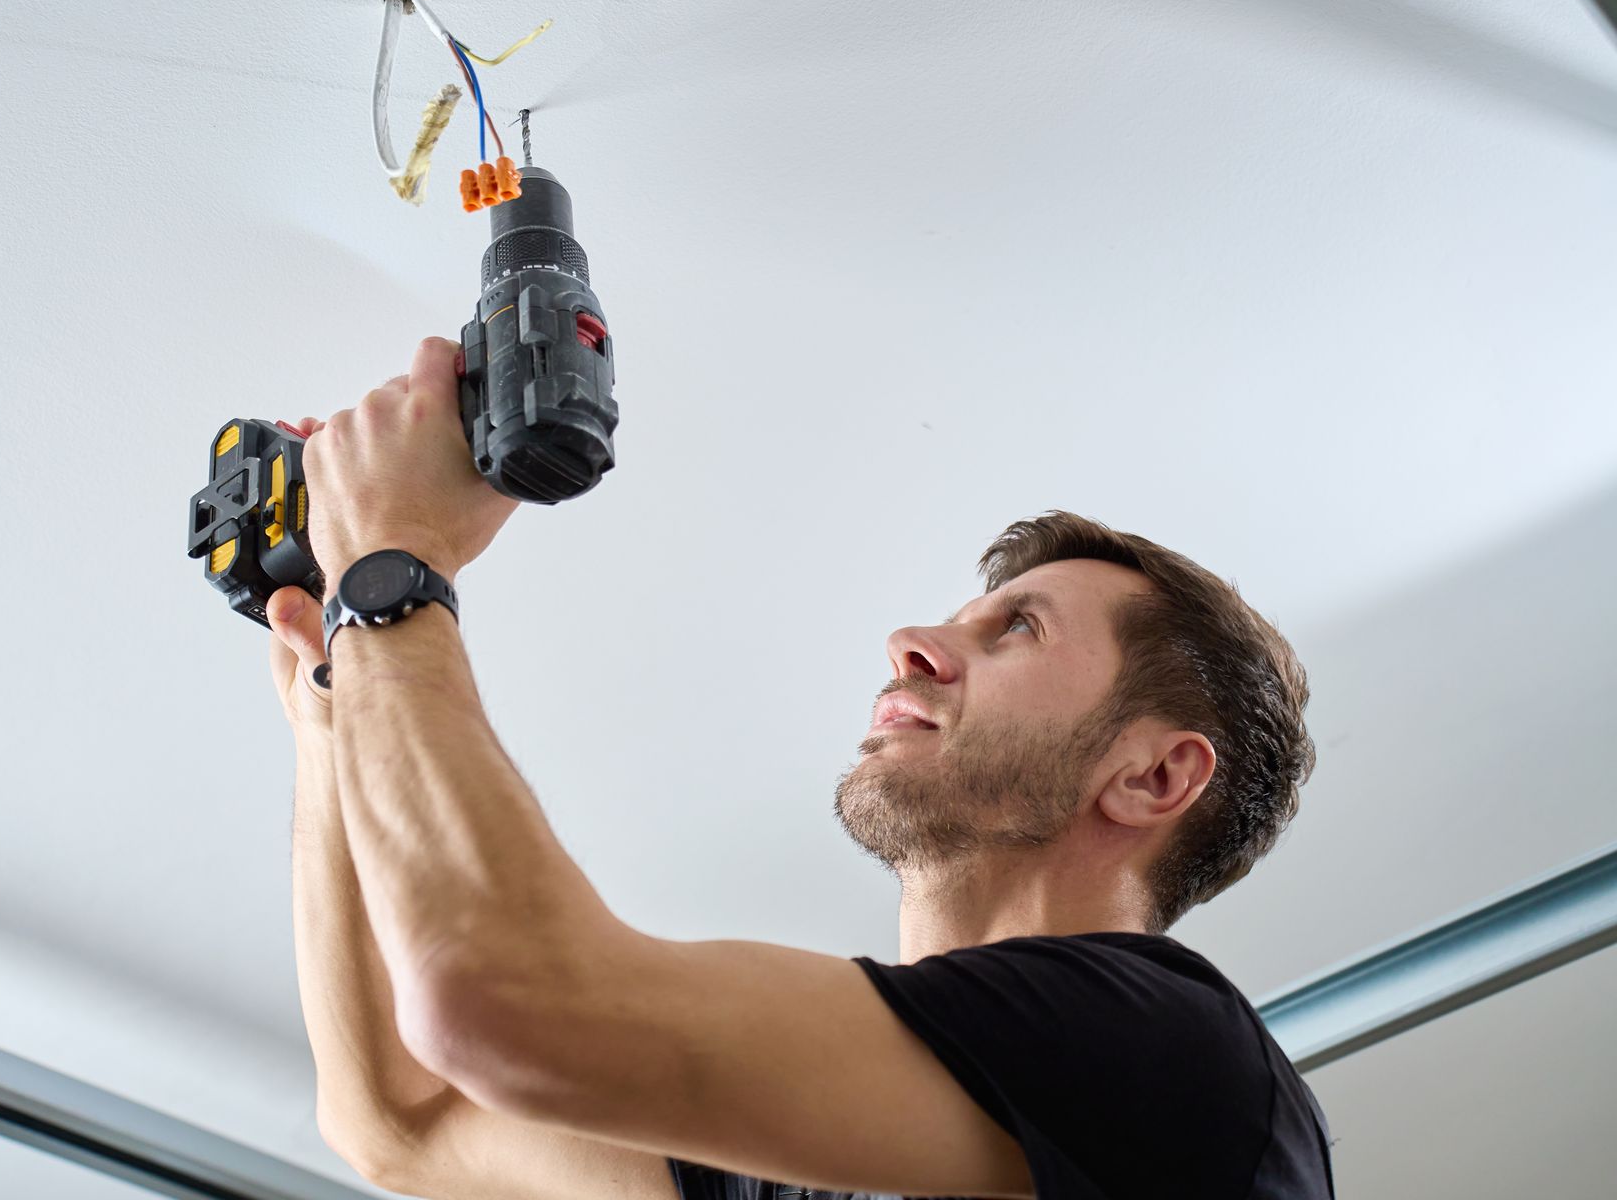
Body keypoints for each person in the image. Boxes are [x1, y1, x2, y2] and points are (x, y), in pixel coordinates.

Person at [268, 396, 1331, 1199]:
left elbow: (503, 1007)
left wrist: (395, 570)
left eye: (1018, 627)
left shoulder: (1167, 1053)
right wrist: (339, 697)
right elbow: (399, 1121)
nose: (915, 641)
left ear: (1154, 776)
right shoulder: (812, 1148)